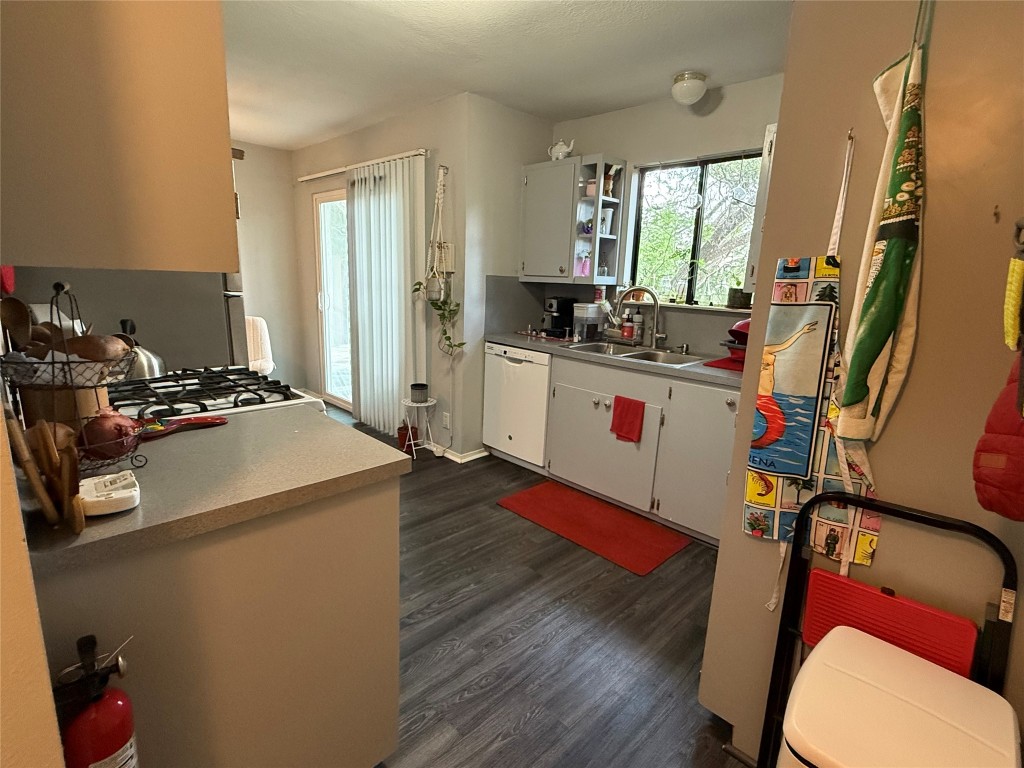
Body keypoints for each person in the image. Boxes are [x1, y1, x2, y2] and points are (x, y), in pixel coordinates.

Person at [751, 321, 818, 449]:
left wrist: (801, 331)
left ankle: (756, 444)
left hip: (767, 396)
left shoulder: (766, 349)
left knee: (777, 426)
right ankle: (755, 444)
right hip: (761, 396)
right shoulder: (756, 351)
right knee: (776, 425)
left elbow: (784, 345)